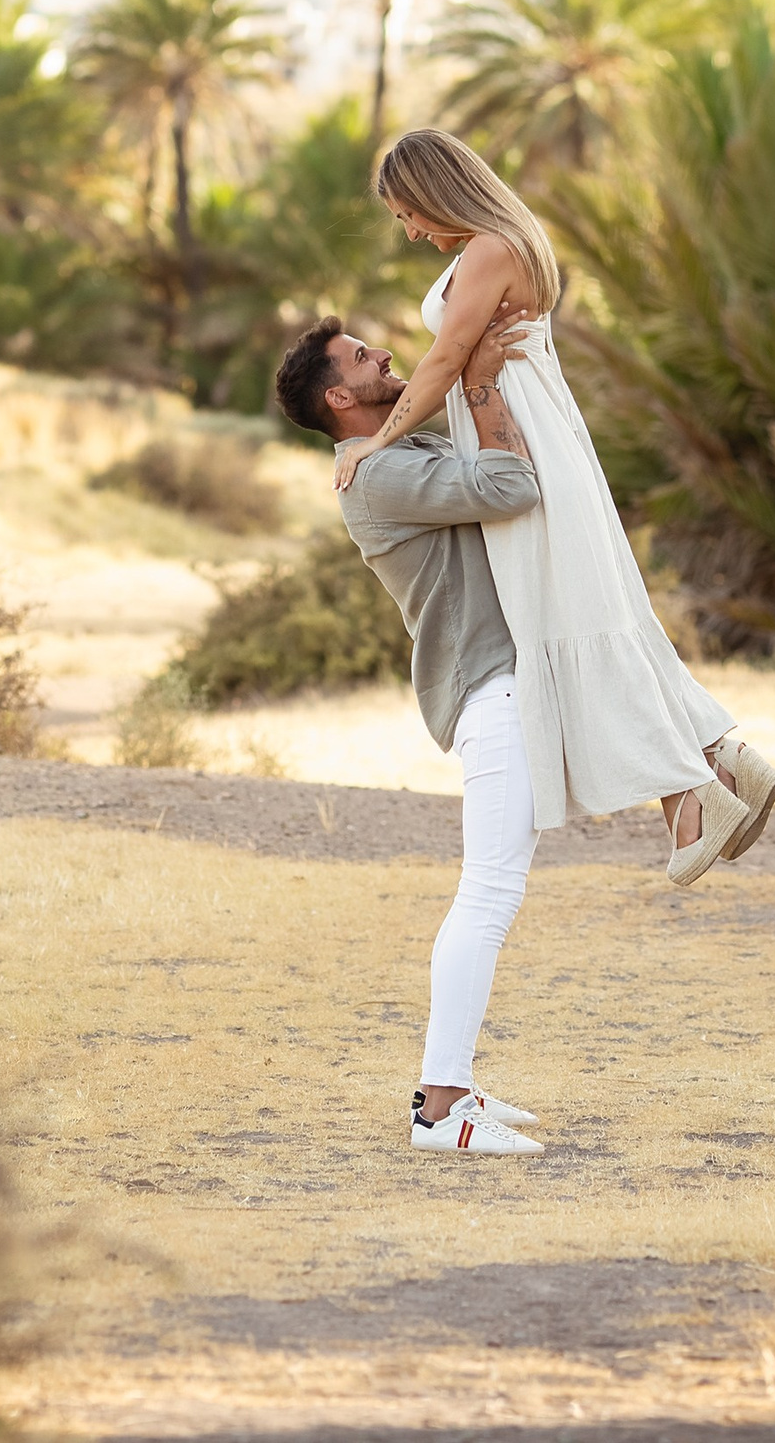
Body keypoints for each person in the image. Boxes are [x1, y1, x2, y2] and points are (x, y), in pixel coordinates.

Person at [332, 127, 775, 884]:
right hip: (535, 437)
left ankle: (692, 800)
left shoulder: (488, 249)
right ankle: (721, 757)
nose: (410, 231)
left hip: (526, 447)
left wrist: (380, 439)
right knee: (594, 615)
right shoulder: (502, 241)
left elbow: (445, 359)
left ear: (439, 190)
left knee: (575, 625)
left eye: (409, 213)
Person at [275, 304, 551, 1156]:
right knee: (489, 892)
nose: (383, 351)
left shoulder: (386, 451)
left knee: (493, 890)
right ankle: (442, 1109)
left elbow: (437, 409)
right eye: (361, 355)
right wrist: (476, 381)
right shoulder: (378, 475)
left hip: (502, 688)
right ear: (337, 397)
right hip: (488, 693)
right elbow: (512, 487)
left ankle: (452, 1088)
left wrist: (471, 369)